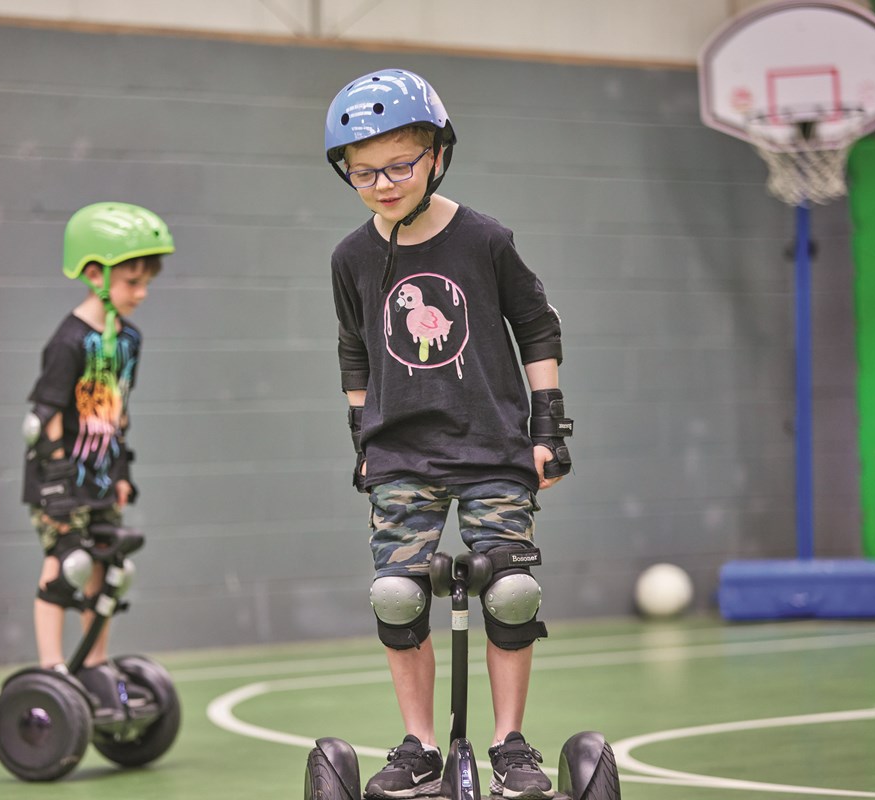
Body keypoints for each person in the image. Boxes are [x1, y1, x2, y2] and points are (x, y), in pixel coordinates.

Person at [324, 68, 574, 800]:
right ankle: (420, 746)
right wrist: (361, 433)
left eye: (399, 165)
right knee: (398, 596)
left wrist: (549, 426)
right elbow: (355, 346)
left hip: (494, 444)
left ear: (437, 154)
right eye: (362, 171)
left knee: (512, 591)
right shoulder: (350, 256)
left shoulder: (485, 239)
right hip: (401, 451)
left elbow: (537, 327)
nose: (381, 183)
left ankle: (511, 744)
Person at [21, 201, 172, 718]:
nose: (142, 293)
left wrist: (123, 472)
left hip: (104, 476)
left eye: (145, 281)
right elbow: (42, 418)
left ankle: (94, 662)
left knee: (109, 568)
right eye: (132, 281)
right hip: (59, 479)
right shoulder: (68, 341)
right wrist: (58, 479)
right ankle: (51, 667)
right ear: (94, 273)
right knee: (69, 562)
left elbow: (118, 411)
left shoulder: (129, 338)